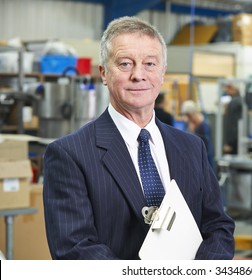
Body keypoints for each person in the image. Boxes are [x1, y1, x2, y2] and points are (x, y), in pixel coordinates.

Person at [42, 16, 234, 260]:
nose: (138, 75)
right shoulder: (69, 154)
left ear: (162, 73)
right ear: (103, 73)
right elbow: (75, 249)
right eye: (125, 64)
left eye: (150, 64)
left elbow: (218, 226)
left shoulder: (191, 147)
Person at [181, 100, 216, 172]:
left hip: (204, 159)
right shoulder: (190, 124)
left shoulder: (204, 126)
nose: (188, 118)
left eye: (188, 116)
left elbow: (205, 147)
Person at [223, 83, 242, 155]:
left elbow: (231, 124)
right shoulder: (239, 100)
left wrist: (229, 143)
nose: (226, 91)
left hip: (234, 141)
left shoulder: (234, 102)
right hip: (237, 139)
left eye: (228, 89)